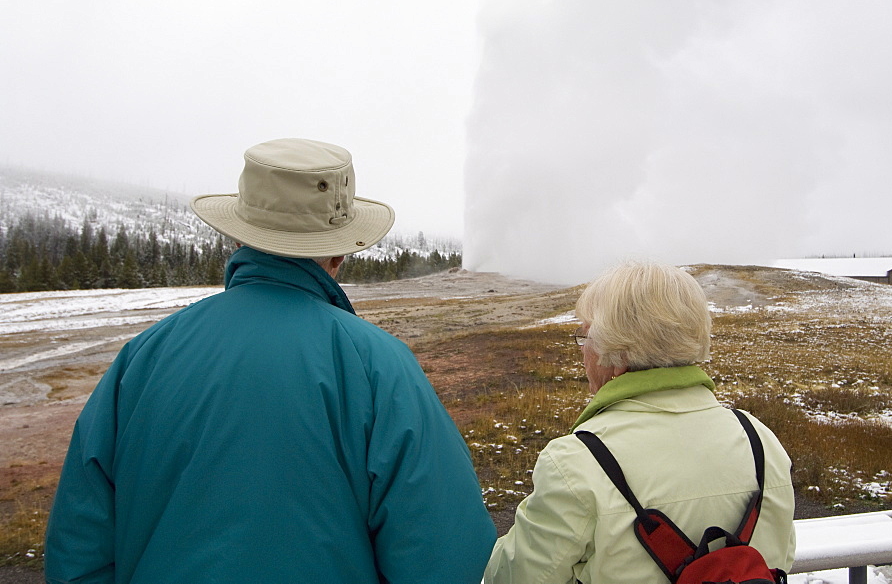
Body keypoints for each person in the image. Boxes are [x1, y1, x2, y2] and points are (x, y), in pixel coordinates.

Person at [45, 138, 496, 584]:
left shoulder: (142, 357)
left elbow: (77, 551)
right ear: (339, 253)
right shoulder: (381, 367)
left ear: (241, 236)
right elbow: (444, 556)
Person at [484, 261, 795, 584]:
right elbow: (780, 559)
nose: (583, 353)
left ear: (616, 355)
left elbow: (511, 577)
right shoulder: (760, 441)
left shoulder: (576, 463)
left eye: (585, 337)